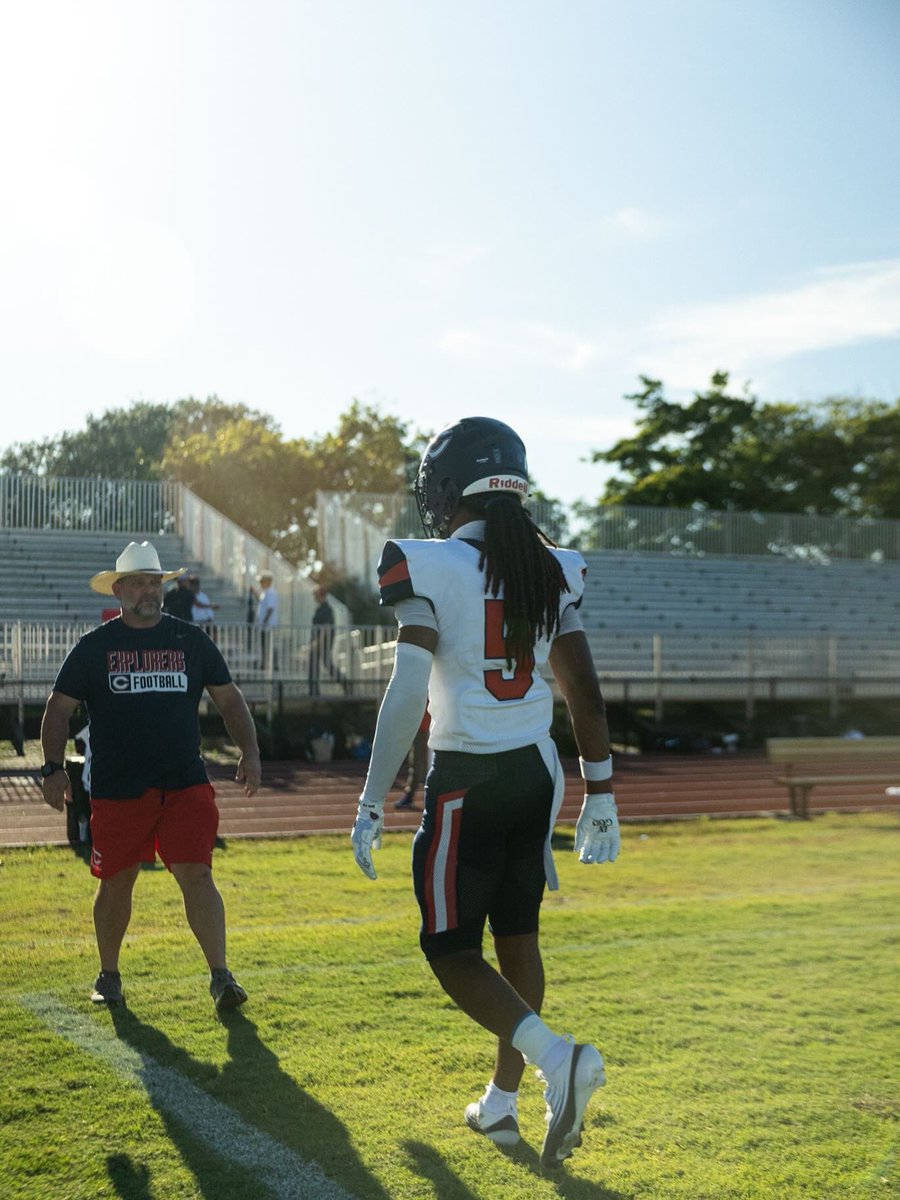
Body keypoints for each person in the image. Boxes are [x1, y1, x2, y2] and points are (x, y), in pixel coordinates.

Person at [350, 417, 618, 1170]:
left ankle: (554, 1059)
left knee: (449, 947)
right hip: (537, 772)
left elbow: (408, 691)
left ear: (443, 488)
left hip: (468, 773)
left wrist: (371, 800)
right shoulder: (552, 565)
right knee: (518, 937)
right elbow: (585, 693)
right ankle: (500, 1103)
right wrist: (601, 791)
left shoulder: (425, 561)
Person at [39, 540, 262, 1012]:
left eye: (154, 582)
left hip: (185, 782)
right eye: (137, 583)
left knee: (198, 875)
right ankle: (110, 975)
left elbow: (229, 699)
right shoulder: (95, 646)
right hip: (120, 789)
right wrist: (54, 768)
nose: (148, 591)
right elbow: (57, 710)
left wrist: (252, 752)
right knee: (116, 879)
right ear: (118, 590)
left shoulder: (191, 641)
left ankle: (221, 976)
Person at [308, 585, 347, 695]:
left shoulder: (326, 609)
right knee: (315, 665)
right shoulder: (320, 608)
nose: (314, 597)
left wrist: (318, 642)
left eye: (315, 595)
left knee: (326, 664)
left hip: (322, 643)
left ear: (321, 595)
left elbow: (326, 628)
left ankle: (344, 683)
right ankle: (313, 691)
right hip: (318, 643)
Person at [394, 709, 431, 810]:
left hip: (431, 725)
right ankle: (410, 796)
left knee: (421, 762)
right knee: (416, 762)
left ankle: (411, 796)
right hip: (422, 725)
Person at [255, 572, 279, 669]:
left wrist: (265, 622)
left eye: (262, 581)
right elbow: (261, 603)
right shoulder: (265, 592)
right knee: (264, 645)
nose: (260, 583)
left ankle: (274, 664)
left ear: (268, 581)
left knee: (270, 645)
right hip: (264, 625)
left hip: (268, 625)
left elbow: (270, 609)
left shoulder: (271, 593)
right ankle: (264, 664)